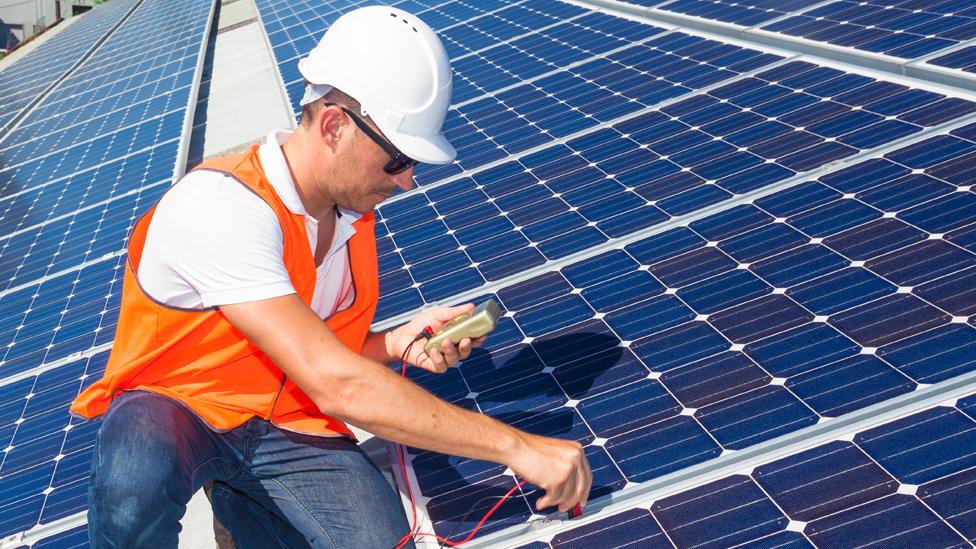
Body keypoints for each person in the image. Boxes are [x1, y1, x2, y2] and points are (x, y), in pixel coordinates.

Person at [70, 6, 592, 548]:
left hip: (284, 422)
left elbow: (315, 359)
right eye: (397, 159)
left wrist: (395, 343)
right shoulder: (224, 206)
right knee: (135, 474)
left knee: (379, 541)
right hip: (180, 408)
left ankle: (242, 510)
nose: (409, 181)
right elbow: (334, 382)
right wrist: (518, 447)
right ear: (335, 125)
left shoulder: (350, 221)